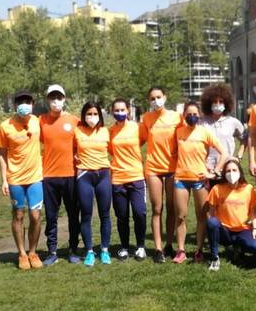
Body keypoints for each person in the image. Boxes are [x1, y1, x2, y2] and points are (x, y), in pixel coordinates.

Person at [173, 101, 227, 264]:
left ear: (200, 115)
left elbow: (223, 153)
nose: (192, 117)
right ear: (184, 116)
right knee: (180, 216)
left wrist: (214, 172)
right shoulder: (178, 132)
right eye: (189, 114)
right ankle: (181, 250)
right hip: (181, 179)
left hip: (200, 180)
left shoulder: (205, 132)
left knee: (201, 216)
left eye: (195, 114)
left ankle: (198, 250)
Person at [0, 89, 44, 270]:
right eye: (20, 102)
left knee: (35, 215)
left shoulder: (37, 122)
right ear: (15, 105)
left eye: (28, 101)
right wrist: (4, 180)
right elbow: (1, 153)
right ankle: (22, 254)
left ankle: (33, 251)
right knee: (18, 214)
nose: (24, 105)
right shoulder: (5, 126)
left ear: (32, 104)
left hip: (35, 177)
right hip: (15, 178)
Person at [139, 87, 184, 263]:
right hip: (154, 168)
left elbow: (184, 139)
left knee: (172, 209)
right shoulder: (147, 118)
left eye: (158, 97)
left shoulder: (177, 117)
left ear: (165, 97)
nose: (156, 100)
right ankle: (158, 248)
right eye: (152, 98)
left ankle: (169, 245)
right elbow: (139, 140)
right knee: (157, 208)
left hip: (173, 167)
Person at [39, 84, 81, 266]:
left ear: (65, 99)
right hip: (49, 177)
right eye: (52, 97)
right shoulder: (41, 121)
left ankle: (73, 249)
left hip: (71, 175)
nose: (56, 101)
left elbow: (83, 143)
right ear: (47, 100)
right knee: (51, 216)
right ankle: (52, 251)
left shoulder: (74, 121)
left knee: (73, 214)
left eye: (59, 97)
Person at [206, 158, 256, 271]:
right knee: (212, 222)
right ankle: (214, 257)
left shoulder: (249, 189)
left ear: (240, 172)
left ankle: (239, 248)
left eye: (234, 170)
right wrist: (214, 229)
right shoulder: (217, 189)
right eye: (228, 171)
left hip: (243, 229)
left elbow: (253, 213)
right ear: (224, 173)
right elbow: (211, 214)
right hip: (225, 230)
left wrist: (255, 228)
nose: (231, 173)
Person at [74, 101, 112, 267]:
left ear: (100, 115)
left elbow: (115, 150)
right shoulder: (77, 131)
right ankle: (89, 251)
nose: (92, 117)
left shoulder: (105, 131)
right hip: (85, 175)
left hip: (103, 175)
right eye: (89, 114)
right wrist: (74, 156)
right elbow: (69, 149)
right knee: (86, 214)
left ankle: (104, 250)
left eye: (95, 114)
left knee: (105, 214)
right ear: (83, 115)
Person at [108, 98, 147, 261]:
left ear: (128, 110)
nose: (119, 113)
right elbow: (109, 150)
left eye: (122, 110)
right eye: (116, 110)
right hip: (117, 179)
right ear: (112, 112)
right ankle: (124, 247)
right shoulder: (110, 131)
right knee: (122, 216)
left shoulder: (137, 128)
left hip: (136, 177)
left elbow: (144, 141)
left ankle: (140, 246)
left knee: (139, 213)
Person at [200, 84, 245, 186]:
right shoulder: (201, 123)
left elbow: (244, 139)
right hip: (207, 168)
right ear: (208, 103)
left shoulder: (233, 122)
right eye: (214, 102)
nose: (218, 104)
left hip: (227, 168)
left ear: (226, 103)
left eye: (221, 102)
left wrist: (239, 156)